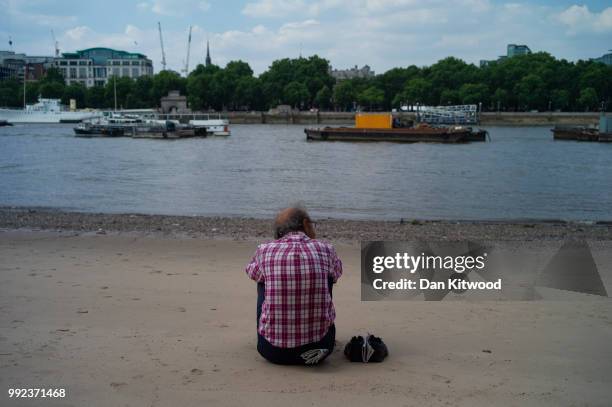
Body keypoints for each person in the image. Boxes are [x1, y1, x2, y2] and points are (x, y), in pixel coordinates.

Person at [245, 206, 343, 365]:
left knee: (262, 279)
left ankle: (275, 331)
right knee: (328, 276)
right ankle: (315, 329)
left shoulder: (265, 250)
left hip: (271, 351)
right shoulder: (326, 249)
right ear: (305, 224)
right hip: (321, 349)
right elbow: (337, 273)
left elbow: (251, 272)